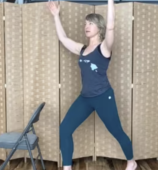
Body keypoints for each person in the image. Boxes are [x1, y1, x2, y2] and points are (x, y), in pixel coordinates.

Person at [47, 0, 137, 169]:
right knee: (64, 129)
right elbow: (63, 38)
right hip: (86, 98)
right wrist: (56, 16)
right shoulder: (82, 49)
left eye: (90, 23)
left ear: (99, 27)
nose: (86, 26)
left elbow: (111, 27)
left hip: (103, 96)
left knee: (116, 131)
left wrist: (110, 1)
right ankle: (67, 167)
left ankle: (131, 162)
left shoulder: (104, 48)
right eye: (85, 23)